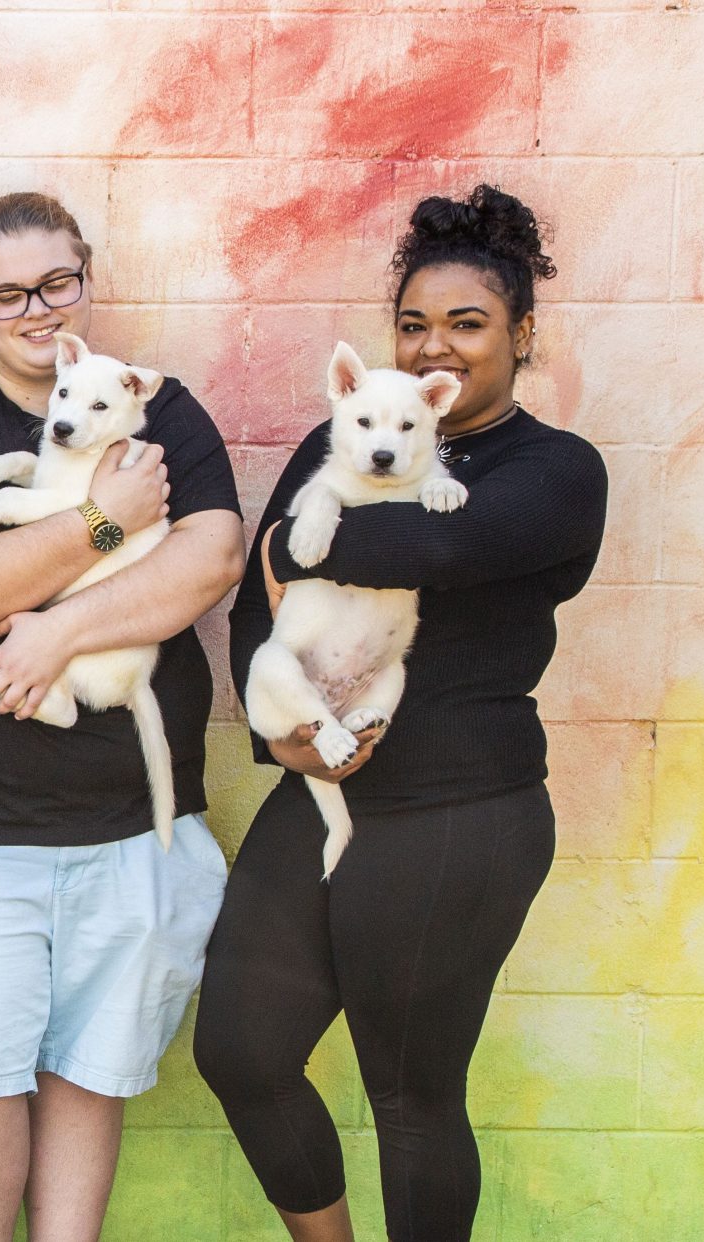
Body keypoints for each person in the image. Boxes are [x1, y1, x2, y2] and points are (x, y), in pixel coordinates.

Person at [194, 186, 608, 1242]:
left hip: (461, 816)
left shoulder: (557, 472)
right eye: (414, 323)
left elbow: (429, 546)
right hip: (323, 793)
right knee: (239, 1050)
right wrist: (280, 734)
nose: (435, 345)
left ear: (521, 334)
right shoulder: (344, 433)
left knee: (410, 1097)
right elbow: (258, 611)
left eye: (467, 323)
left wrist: (291, 542)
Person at [0, 192, 243, 1241]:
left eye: (55, 284)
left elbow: (210, 559)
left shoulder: (158, 406)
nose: (35, 310)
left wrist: (55, 635)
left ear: (85, 280)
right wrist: (106, 521)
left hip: (127, 829)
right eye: (7, 294)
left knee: (92, 1074)